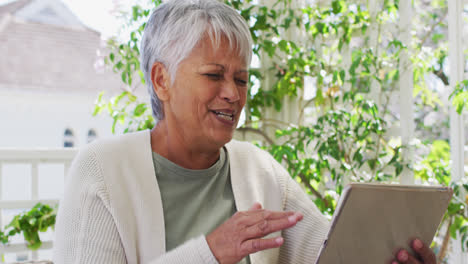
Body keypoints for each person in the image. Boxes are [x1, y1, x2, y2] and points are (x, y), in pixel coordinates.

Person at [52, 0, 437, 263]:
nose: (233, 94)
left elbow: (327, 254)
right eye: (214, 75)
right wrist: (211, 252)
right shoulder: (102, 170)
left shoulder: (260, 170)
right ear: (161, 80)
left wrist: (390, 255)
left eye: (241, 78)